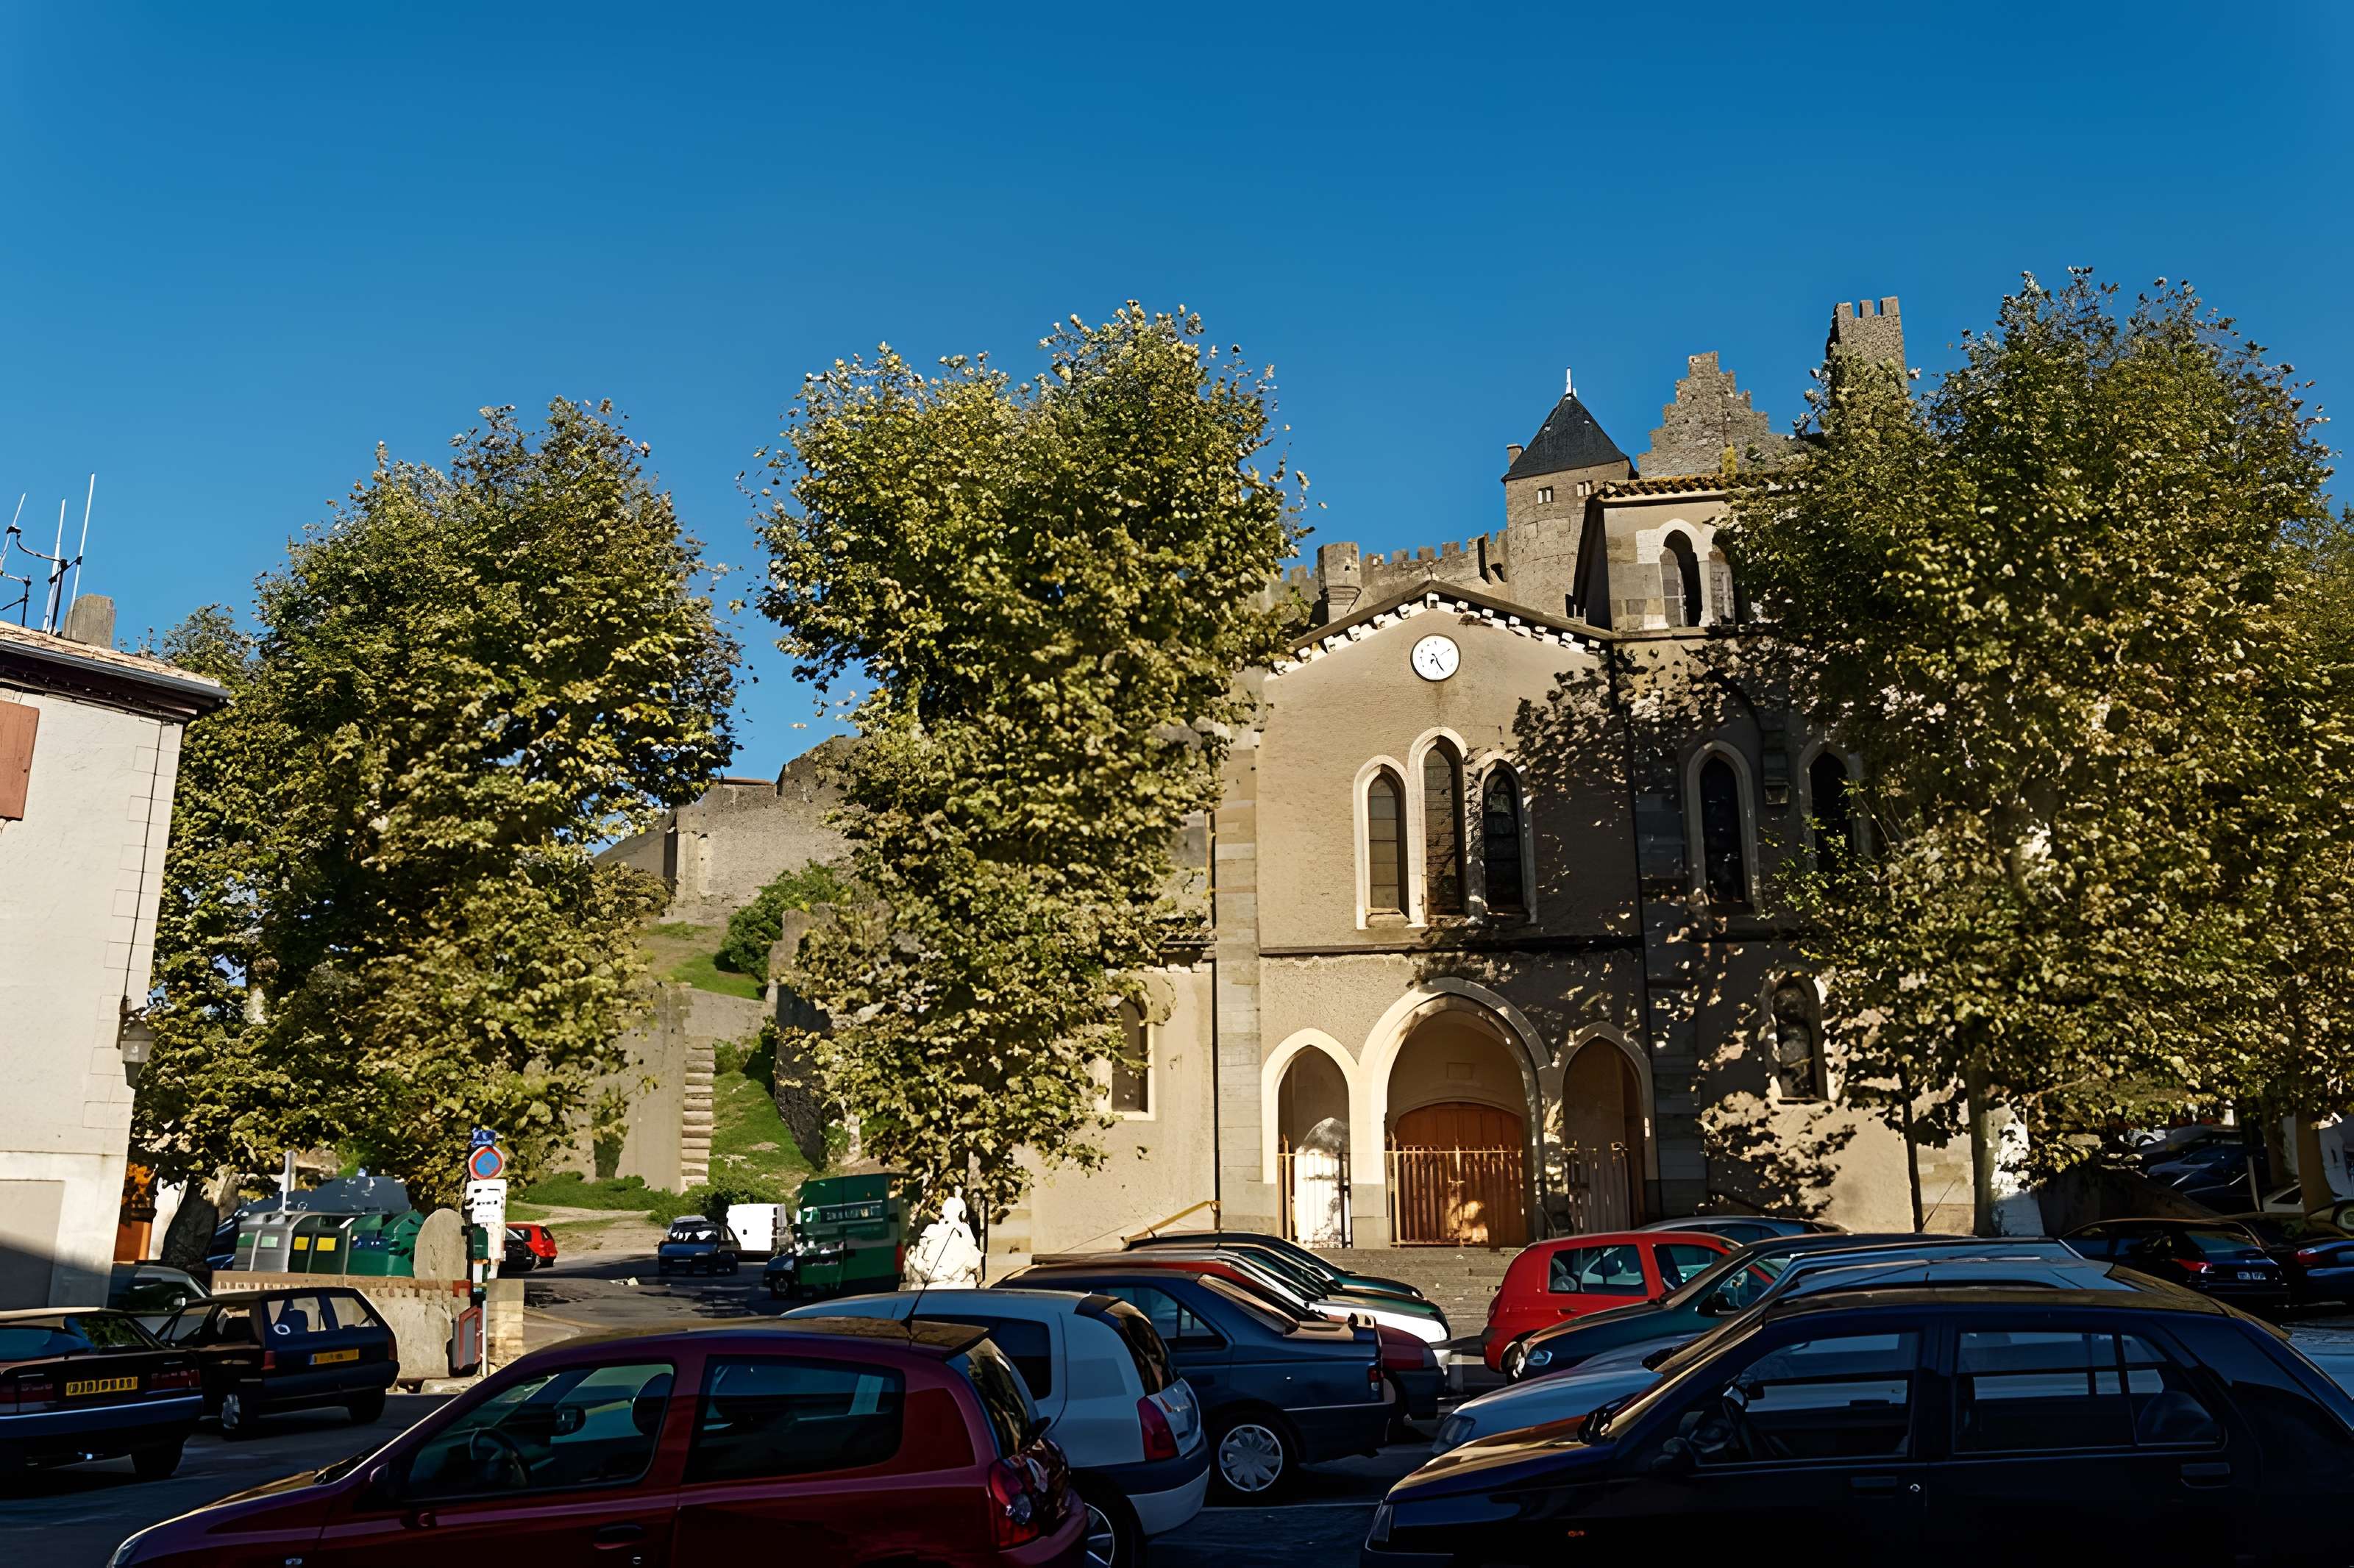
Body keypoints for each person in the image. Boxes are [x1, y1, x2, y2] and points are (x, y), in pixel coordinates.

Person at [906, 1191, 983, 1287]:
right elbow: (975, 1263)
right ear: (962, 1214)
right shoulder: (963, 1231)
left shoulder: (931, 1230)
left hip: (933, 1286)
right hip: (958, 1287)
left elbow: (915, 1259)